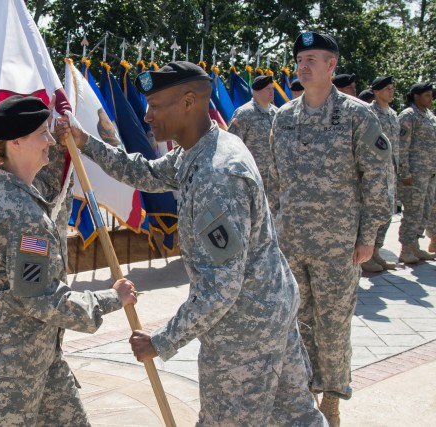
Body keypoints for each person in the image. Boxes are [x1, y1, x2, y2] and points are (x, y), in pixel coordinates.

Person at [58, 61, 326, 426]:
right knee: (297, 418)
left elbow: (221, 289)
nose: (148, 116)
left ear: (188, 102)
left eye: (156, 105)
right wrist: (88, 143)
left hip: (243, 333)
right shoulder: (200, 150)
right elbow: (147, 173)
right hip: (268, 311)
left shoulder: (217, 174)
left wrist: (162, 340)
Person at [0, 95, 137, 426]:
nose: (50, 141)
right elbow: (41, 299)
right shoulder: (22, 215)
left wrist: (63, 142)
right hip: (11, 370)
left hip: (40, 354)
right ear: (16, 141)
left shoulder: (1, 186)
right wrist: (111, 298)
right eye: (43, 133)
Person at [268, 32, 392, 426]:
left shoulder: (357, 115)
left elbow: (377, 177)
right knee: (296, 321)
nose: (303, 66)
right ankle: (302, 393)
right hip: (291, 242)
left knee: (334, 324)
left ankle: (333, 399)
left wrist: (368, 236)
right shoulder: (284, 118)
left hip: (339, 245)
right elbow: (274, 181)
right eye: (300, 59)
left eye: (312, 59)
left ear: (331, 66)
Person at [361, 76, 400, 271]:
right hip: (375, 171)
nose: (391, 92)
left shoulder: (393, 115)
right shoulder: (368, 113)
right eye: (387, 89)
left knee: (387, 212)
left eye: (392, 88)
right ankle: (366, 254)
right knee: (373, 210)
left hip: (391, 172)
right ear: (376, 92)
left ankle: (376, 252)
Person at [397, 82, 436, 262]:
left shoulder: (429, 116)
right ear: (416, 96)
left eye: (431, 94)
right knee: (413, 211)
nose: (430, 98)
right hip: (414, 174)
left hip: (429, 173)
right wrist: (405, 173)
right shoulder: (408, 116)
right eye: (426, 95)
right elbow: (401, 147)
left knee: (425, 210)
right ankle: (406, 248)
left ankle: (415, 246)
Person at [227, 74, 278, 180]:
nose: (272, 92)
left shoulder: (277, 113)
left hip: (274, 178)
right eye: (268, 89)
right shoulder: (244, 113)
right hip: (252, 176)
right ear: (257, 91)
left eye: (272, 88)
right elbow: (233, 146)